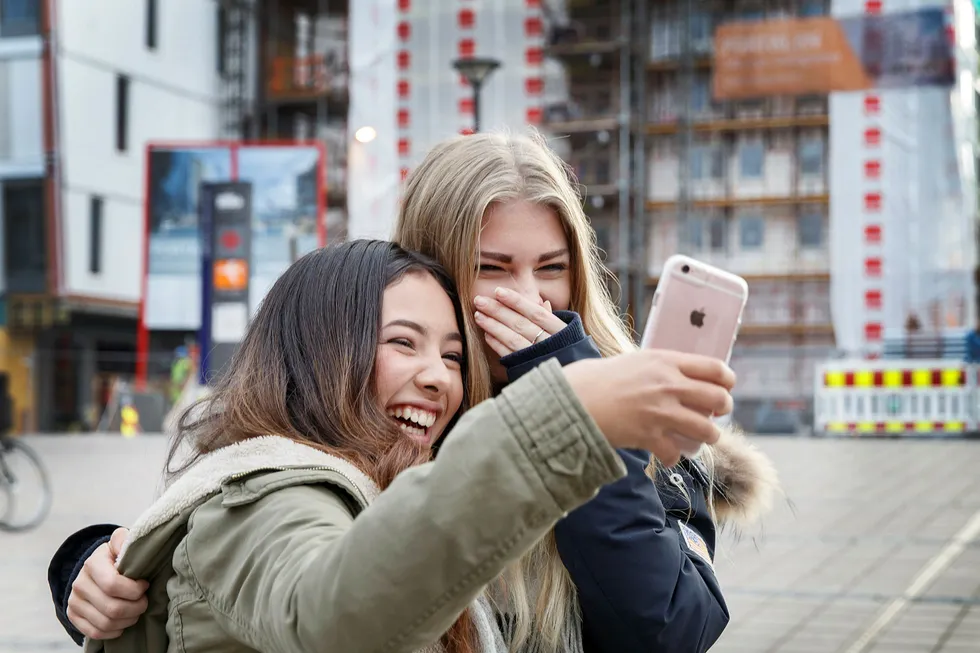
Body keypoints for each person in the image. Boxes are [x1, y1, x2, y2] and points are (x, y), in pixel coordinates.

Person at [50, 131, 777, 652]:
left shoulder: (642, 415)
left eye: (550, 268)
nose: (528, 298)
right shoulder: (391, 393)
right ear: (431, 269)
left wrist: (587, 412)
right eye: (492, 268)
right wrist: (89, 563)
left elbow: (672, 628)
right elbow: (251, 511)